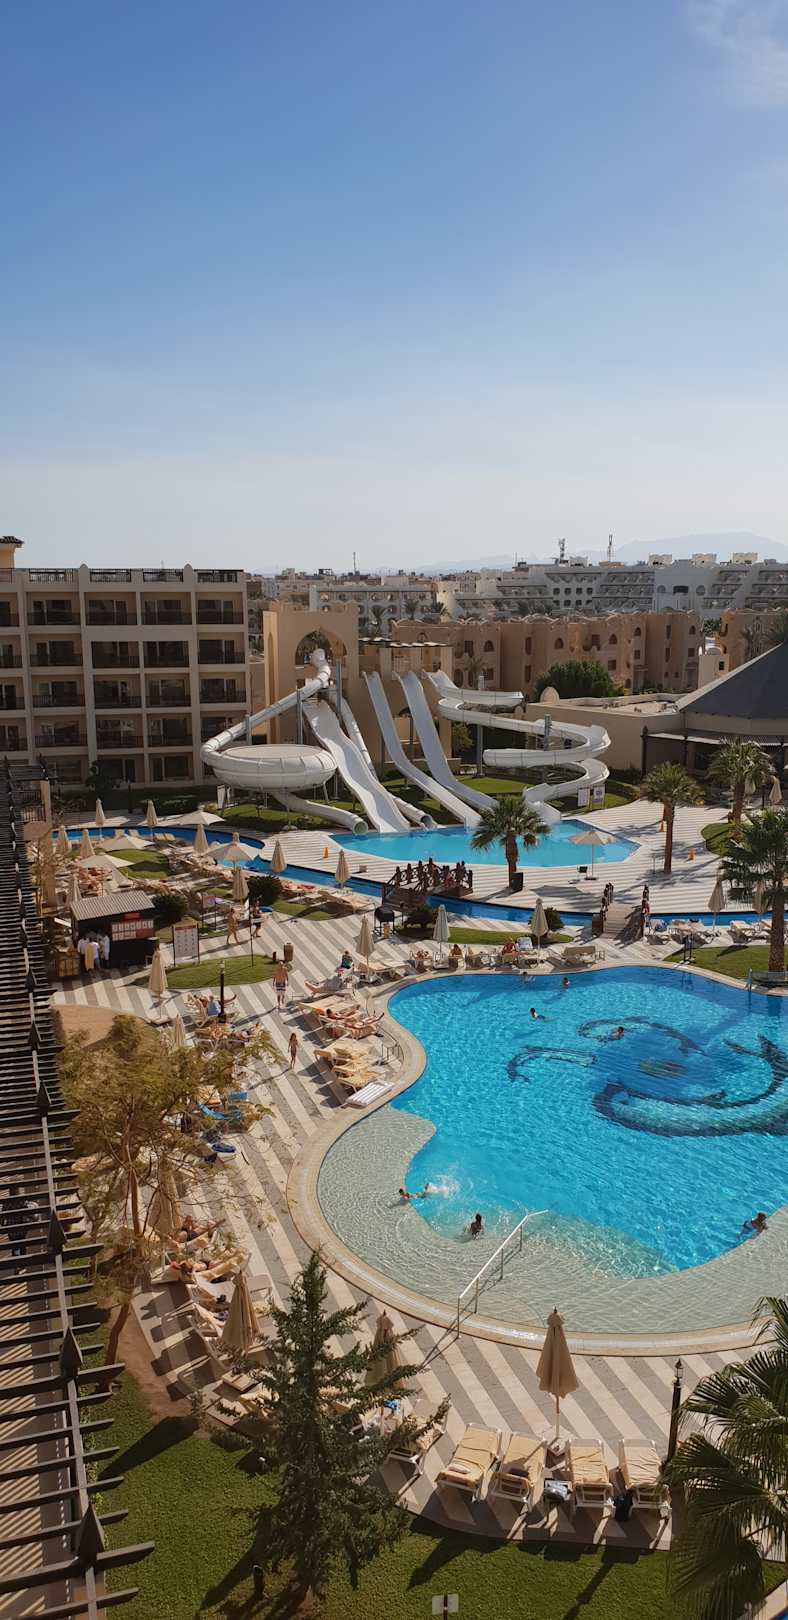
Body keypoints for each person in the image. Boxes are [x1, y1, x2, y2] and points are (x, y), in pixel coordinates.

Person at [0, 1187, 36, 1257]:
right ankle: (23, 1259)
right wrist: (32, 1219)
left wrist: (3, 1225)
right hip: (21, 1229)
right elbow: (29, 1211)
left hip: (11, 1230)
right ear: (18, 1192)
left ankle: (16, 1259)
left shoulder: (6, 1202)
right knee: (22, 1245)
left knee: (14, 1246)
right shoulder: (22, 1201)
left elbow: (2, 1217)